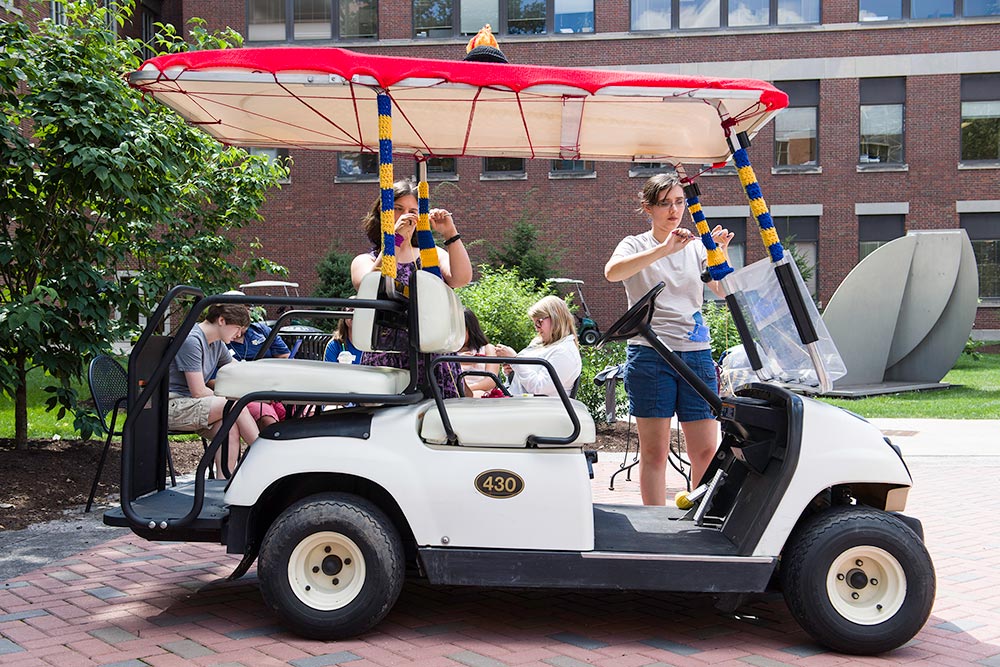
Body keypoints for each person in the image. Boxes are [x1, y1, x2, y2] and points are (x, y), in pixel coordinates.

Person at [604, 172, 734, 506]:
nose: (674, 210)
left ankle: (700, 519)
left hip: (696, 354)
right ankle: (655, 527)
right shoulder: (635, 244)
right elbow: (612, 272)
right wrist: (663, 250)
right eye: (665, 204)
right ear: (648, 208)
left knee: (705, 450)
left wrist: (720, 253)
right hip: (650, 355)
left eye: (679, 202)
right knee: (654, 452)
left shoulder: (696, 248)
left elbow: (723, 289)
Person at [350, 179, 473, 398]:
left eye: (412, 211)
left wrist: (449, 232)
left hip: (432, 355)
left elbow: (461, 278)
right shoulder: (364, 259)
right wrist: (395, 239)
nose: (406, 215)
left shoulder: (430, 254)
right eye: (398, 209)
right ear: (384, 213)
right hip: (388, 357)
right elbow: (369, 284)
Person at [167, 303, 260, 477]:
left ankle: (222, 486)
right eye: (238, 329)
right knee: (234, 404)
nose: (239, 335)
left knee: (229, 428)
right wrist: (234, 395)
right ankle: (264, 452)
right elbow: (198, 391)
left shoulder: (216, 342)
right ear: (222, 320)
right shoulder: (192, 340)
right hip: (171, 405)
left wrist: (263, 383)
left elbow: (237, 369)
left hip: (191, 405)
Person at [494, 295, 582, 397]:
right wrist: (512, 370)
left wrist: (515, 360)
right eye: (535, 324)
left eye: (539, 322)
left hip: (540, 408)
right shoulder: (539, 343)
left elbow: (539, 387)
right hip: (522, 402)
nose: (537, 328)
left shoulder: (565, 352)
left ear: (556, 318)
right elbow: (527, 375)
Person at [457, 308, 500, 397]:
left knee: (479, 394)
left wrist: (467, 390)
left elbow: (491, 380)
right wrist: (457, 362)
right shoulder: (447, 353)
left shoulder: (487, 349)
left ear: (470, 329)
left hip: (478, 393)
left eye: (460, 330)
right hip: (455, 393)